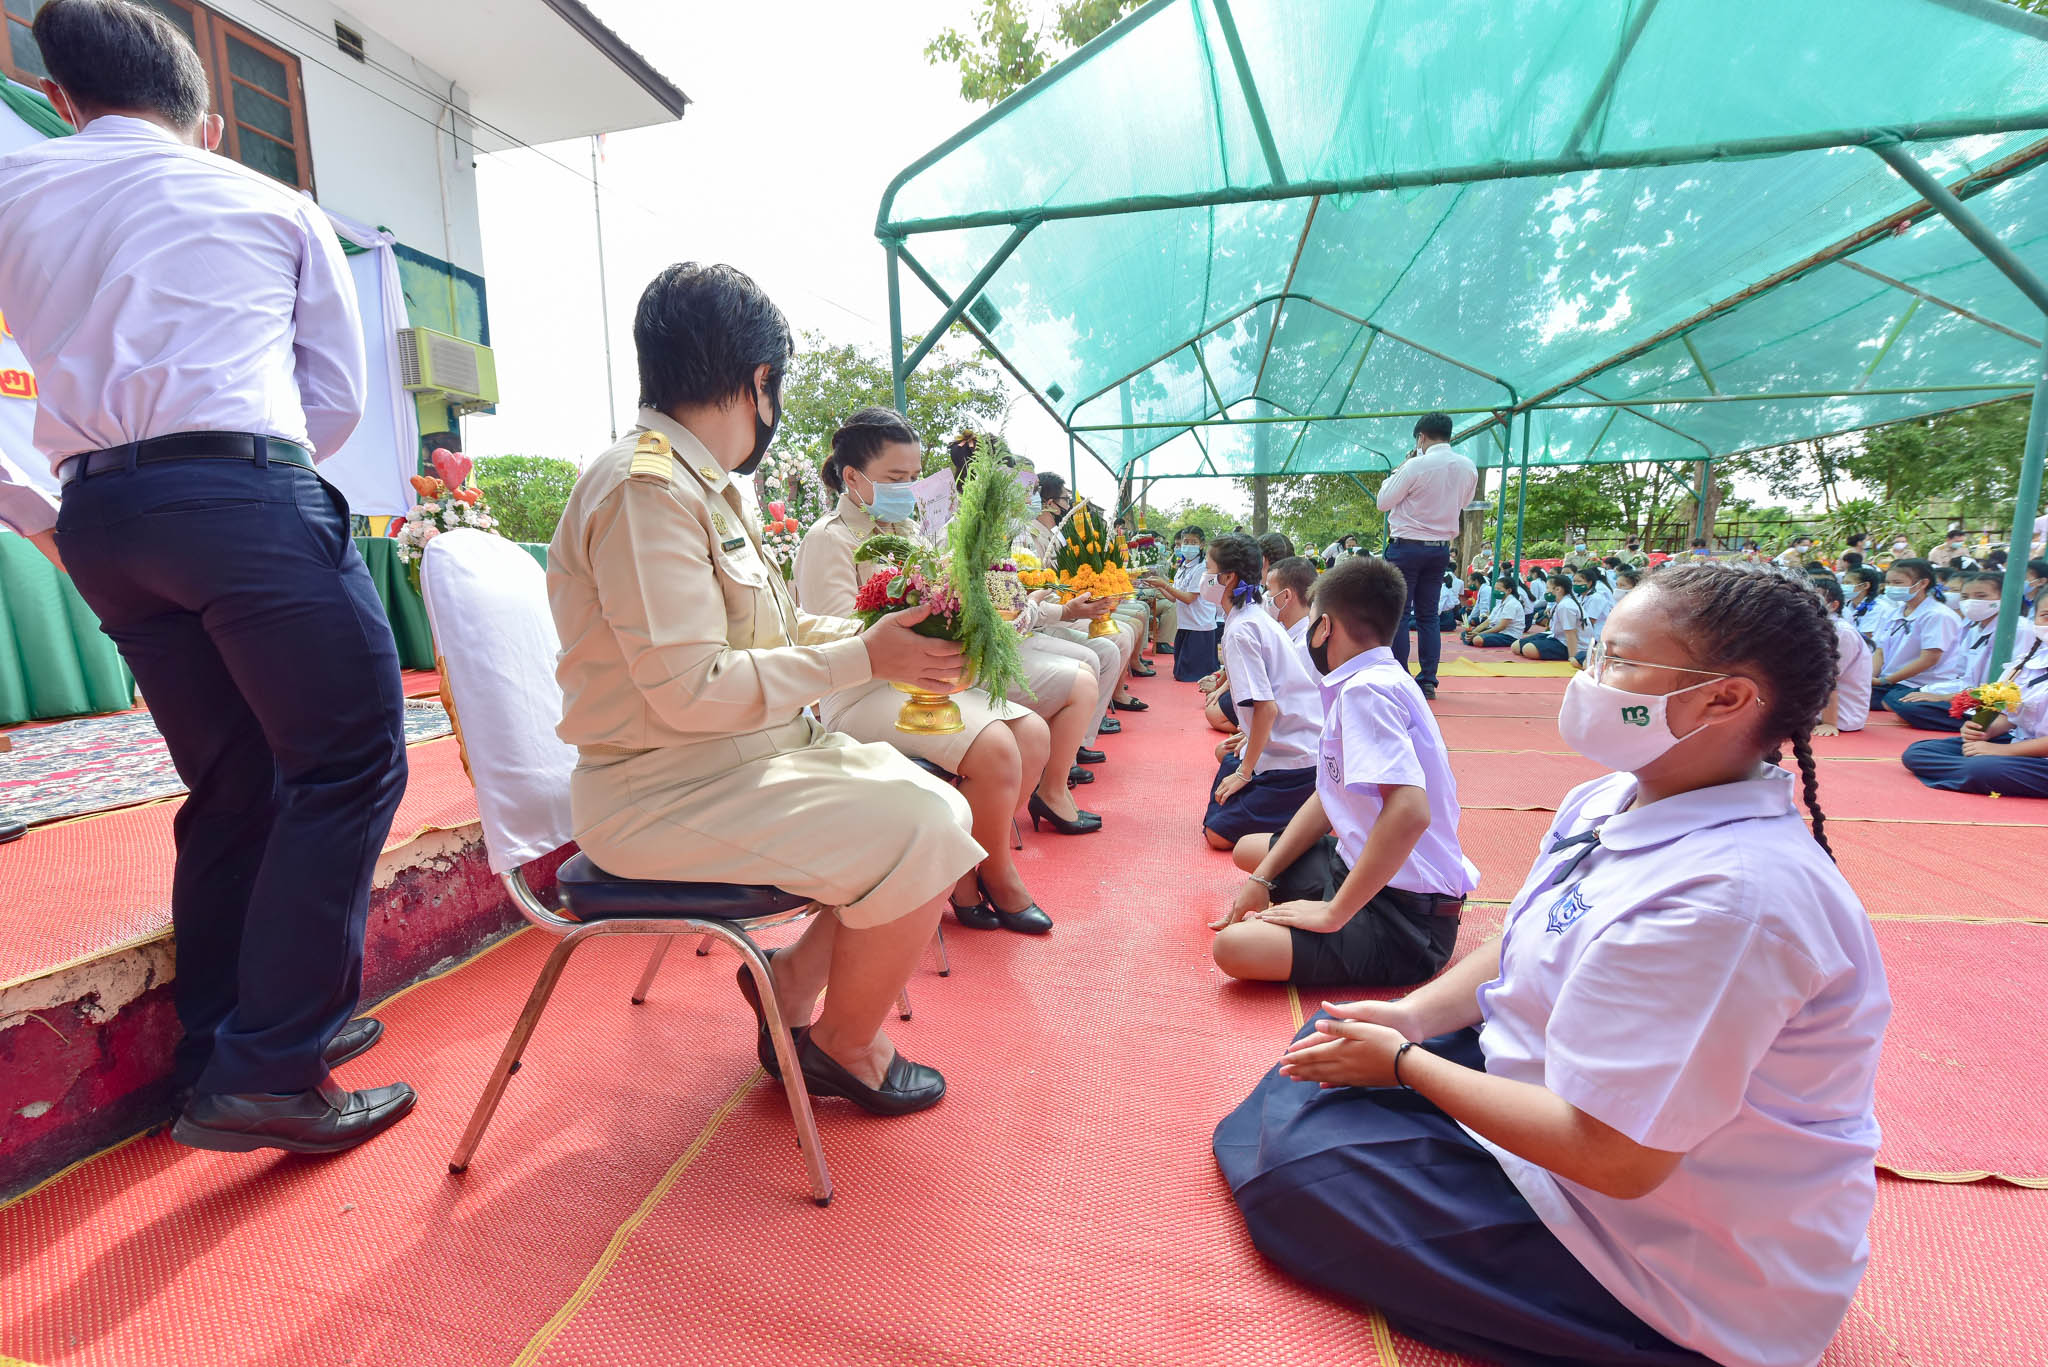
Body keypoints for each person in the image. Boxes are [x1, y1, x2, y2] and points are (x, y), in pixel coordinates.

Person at [1216, 561, 1889, 1367]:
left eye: (1619, 661)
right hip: (1559, 1092)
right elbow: (1526, 940)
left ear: (1726, 698)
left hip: (1656, 1244)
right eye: (1598, 652)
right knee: (1320, 1069)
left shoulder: (1731, 902)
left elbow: (1617, 1157)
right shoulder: (1609, 798)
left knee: (1298, 1172)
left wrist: (1405, 1064)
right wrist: (1410, 1017)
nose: (1589, 678)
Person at [0, 0, 412, 1155]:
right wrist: (250, 485)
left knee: (236, 783)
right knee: (347, 762)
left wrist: (37, 508)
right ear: (209, 120)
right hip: (243, 498)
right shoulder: (269, 201)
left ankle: (226, 1047)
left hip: (99, 517)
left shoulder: (15, 189)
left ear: (63, 100)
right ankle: (272, 1064)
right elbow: (333, 397)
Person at [552, 264, 976, 1113]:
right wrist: (866, 659)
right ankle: (842, 1046)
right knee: (925, 826)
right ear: (759, 381)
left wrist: (882, 642)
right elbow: (691, 688)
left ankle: (788, 981)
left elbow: (772, 632)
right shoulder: (646, 489)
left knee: (934, 804)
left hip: (731, 763)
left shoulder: (699, 484)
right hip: (663, 791)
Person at [795, 410, 1083, 931]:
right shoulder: (828, 539)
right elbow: (832, 634)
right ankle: (996, 875)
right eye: (895, 477)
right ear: (852, 476)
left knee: (1033, 734)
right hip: (860, 692)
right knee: (998, 748)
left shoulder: (910, 530)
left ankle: (966, 872)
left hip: (924, 681)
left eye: (913, 476)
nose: (908, 489)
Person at [1208, 555, 1474, 984]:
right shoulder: (1371, 678)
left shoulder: (1366, 692)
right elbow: (1329, 795)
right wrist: (1263, 878)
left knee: (1234, 947)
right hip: (1358, 864)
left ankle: (1342, 914)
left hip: (1406, 916)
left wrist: (1334, 912)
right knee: (1250, 852)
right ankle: (1323, 898)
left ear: (1325, 627)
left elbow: (1410, 811)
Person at [1200, 535, 1322, 850]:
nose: (1204, 577)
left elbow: (1266, 708)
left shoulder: (1242, 628)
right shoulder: (1252, 617)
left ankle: (1313, 815)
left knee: (1217, 833)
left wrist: (1244, 772)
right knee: (1225, 770)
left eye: (1208, 569)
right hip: (1285, 746)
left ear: (1228, 578)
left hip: (1296, 758)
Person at [1902, 594, 2048, 797]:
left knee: (1982, 768)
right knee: (1919, 752)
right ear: (2036, 618)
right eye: (2046, 615)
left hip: (2030, 756)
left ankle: (1975, 771)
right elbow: (2010, 716)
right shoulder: (2026, 662)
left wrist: (2001, 751)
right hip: (2019, 745)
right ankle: (1974, 771)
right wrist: (1985, 732)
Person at [1376, 413, 1478, 701]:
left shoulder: (1414, 466)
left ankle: (1400, 678)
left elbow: (1383, 502)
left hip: (1406, 548)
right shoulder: (1467, 467)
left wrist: (1400, 469)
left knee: (1399, 615)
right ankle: (1428, 680)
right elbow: (1464, 502)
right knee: (1428, 616)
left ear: (1421, 437)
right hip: (1439, 549)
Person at [1881, 572, 2004, 731]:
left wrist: (1944, 698)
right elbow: (1964, 677)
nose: (1971, 601)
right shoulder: (1975, 629)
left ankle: (1983, 725)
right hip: (1966, 691)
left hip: (1991, 701)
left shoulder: (2018, 630)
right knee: (1896, 698)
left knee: (1909, 707)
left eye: (1981, 596)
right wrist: (1933, 694)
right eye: (1965, 597)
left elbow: (2004, 686)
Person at [1872, 558, 1962, 713]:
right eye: (1888, 583)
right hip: (1891, 683)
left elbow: (1929, 658)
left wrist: (1885, 681)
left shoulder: (1938, 615)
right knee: (1845, 691)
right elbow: (1880, 650)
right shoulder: (1893, 612)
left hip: (1920, 684)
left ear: (1922, 583)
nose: (1891, 587)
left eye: (1897, 583)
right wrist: (1869, 679)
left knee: (1902, 703)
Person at [1145, 525, 1224, 681]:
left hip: (1199, 625)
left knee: (1192, 675)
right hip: (1186, 624)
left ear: (1201, 544)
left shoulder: (1201, 568)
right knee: (1180, 673)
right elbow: (1174, 597)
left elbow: (1189, 598)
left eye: (1193, 542)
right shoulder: (1182, 566)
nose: (1188, 545)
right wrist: (1157, 585)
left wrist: (1164, 585)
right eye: (1186, 541)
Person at [1809, 576, 1871, 737]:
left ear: (1834, 605)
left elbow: (1829, 678)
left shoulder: (1842, 632)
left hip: (1840, 713)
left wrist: (1829, 723)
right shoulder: (1813, 625)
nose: (1806, 603)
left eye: (1814, 600)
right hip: (1815, 703)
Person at [1513, 573, 1584, 662]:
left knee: (1528, 649)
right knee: (1516, 646)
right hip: (1556, 637)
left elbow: (1571, 633)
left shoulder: (1566, 606)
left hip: (1567, 644)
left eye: (1547, 588)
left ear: (1558, 589)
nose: (1546, 592)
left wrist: (1573, 658)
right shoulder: (1559, 603)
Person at [1462, 573, 1531, 648]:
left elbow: (1501, 627)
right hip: (1498, 632)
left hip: (1509, 635)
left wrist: (1479, 634)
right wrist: (1475, 631)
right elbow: (1488, 621)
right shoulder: (1500, 602)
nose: (1495, 591)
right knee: (1465, 634)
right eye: (1495, 589)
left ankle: (1472, 640)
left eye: (1498, 589)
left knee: (1477, 639)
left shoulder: (1512, 603)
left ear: (1508, 590)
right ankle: (1471, 639)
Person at [1264, 555, 1317, 647]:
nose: (1266, 596)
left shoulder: (1302, 647)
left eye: (1269, 589)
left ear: (1286, 596)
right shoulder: (1283, 631)